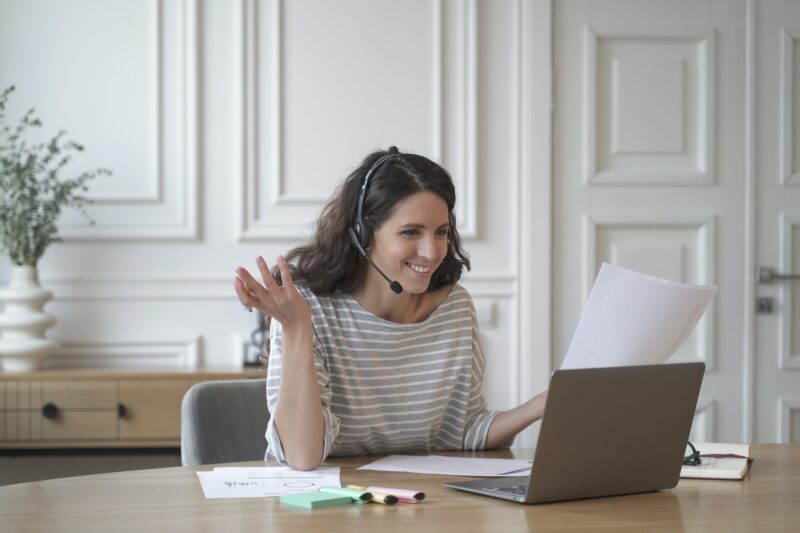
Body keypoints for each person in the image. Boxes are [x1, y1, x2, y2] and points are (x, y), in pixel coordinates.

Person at [234, 147, 547, 471]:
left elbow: (463, 431)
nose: (431, 251)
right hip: (328, 513)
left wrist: (540, 406)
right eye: (411, 232)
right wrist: (297, 327)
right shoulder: (307, 307)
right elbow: (302, 456)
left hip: (423, 508)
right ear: (363, 235)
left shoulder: (455, 308)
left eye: (441, 232)